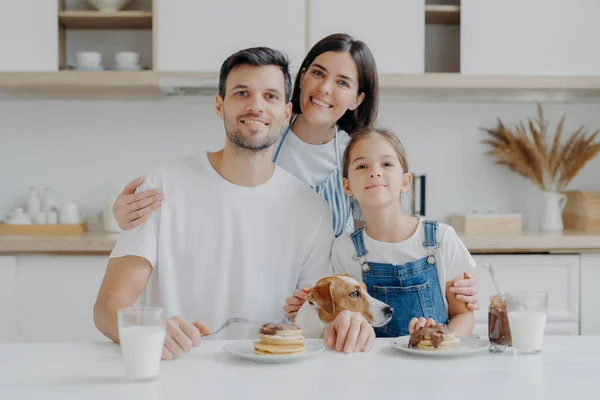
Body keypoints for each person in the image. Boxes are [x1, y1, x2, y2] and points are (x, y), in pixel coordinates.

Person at [112, 33, 481, 310]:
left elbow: (386, 238)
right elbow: (205, 193)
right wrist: (128, 215)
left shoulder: (358, 159)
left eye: (343, 82)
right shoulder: (259, 134)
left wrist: (443, 278)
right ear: (301, 80)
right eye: (318, 73)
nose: (324, 88)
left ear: (357, 99)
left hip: (322, 306)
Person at [94, 46, 375, 360]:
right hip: (178, 372)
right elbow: (109, 305)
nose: (255, 106)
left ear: (286, 112)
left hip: (271, 374)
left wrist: (349, 324)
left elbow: (313, 317)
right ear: (219, 105)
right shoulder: (162, 184)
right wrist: (147, 331)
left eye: (270, 96)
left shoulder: (312, 210)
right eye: (242, 93)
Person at [331, 127, 476, 338]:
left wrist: (439, 339)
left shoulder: (441, 239)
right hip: (369, 367)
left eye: (387, 164)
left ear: (406, 182)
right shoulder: (344, 250)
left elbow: (464, 316)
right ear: (347, 186)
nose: (375, 172)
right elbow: (341, 320)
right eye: (362, 166)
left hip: (435, 364)